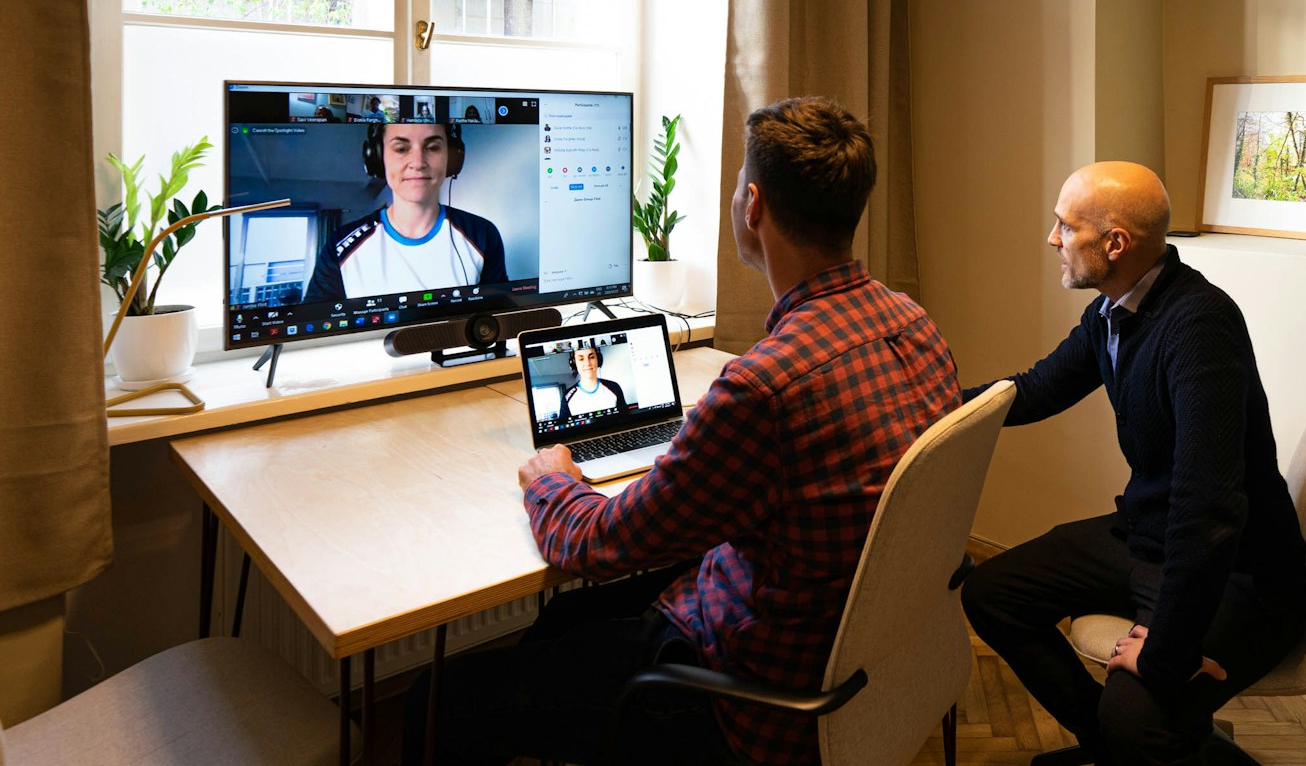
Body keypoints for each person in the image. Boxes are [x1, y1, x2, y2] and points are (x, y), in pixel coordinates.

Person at [402, 96, 960, 766]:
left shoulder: (763, 388)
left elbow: (601, 543)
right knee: (561, 623)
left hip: (749, 699)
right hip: (861, 656)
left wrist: (552, 483)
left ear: (752, 206)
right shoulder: (911, 322)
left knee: (437, 701)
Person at [959, 162, 1306, 766]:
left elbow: (1209, 511)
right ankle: (1113, 747)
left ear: (1114, 243)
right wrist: (921, 403)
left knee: (1137, 715)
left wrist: (1166, 651)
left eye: (1064, 226)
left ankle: (1134, 740)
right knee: (993, 593)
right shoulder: (1111, 312)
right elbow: (1036, 388)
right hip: (1147, 536)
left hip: (1238, 571)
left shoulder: (1199, 325)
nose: (1053, 240)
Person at [304, 122, 506, 301]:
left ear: (452, 157)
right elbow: (317, 333)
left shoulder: (483, 234)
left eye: (433, 147)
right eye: (401, 148)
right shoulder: (339, 246)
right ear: (377, 157)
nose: (418, 163)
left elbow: (497, 320)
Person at [558, 343, 626, 416]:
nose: (587, 363)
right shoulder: (567, 396)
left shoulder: (614, 387)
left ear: (598, 360)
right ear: (574, 364)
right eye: (581, 359)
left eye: (592, 357)